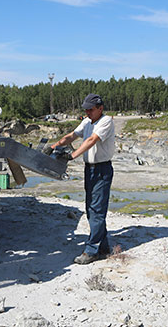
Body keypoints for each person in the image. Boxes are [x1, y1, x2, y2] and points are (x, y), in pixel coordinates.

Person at [44, 93, 115, 264]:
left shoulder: (106, 121)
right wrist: (53, 146)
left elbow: (91, 140)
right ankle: (104, 248)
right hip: (89, 170)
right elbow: (71, 136)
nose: (88, 112)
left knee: (97, 210)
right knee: (91, 209)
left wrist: (72, 155)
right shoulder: (86, 121)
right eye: (86, 110)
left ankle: (92, 251)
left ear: (100, 108)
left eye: (91, 109)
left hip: (101, 170)